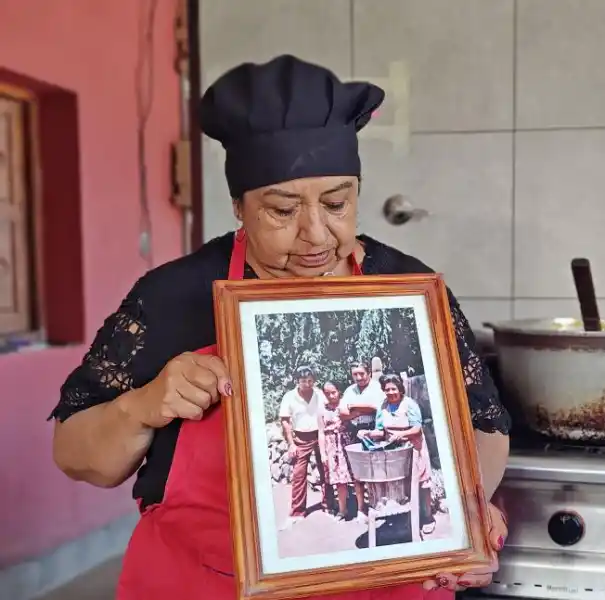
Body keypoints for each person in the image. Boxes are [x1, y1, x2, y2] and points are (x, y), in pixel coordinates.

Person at [49, 55, 510, 600]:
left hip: (387, 582)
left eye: (337, 203)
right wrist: (144, 404)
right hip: (204, 583)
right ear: (239, 207)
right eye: (282, 211)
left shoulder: (407, 288)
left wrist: (463, 513)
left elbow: (481, 426)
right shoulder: (172, 295)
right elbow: (78, 454)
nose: (316, 234)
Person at [358, 373, 435, 535]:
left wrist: (400, 435)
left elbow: (417, 429)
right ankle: (408, 520)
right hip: (395, 451)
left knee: (421, 483)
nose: (390, 392)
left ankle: (428, 518)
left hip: (414, 448)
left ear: (400, 389)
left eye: (393, 389)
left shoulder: (409, 404)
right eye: (387, 389)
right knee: (404, 485)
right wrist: (368, 433)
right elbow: (380, 431)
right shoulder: (383, 406)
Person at [278, 366, 329, 527]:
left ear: (314, 380)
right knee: (299, 474)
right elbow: (285, 421)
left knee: (326, 469)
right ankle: (297, 512)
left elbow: (328, 410)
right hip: (301, 437)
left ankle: (329, 505)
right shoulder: (289, 397)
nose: (307, 384)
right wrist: (291, 444)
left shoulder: (319, 394)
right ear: (297, 381)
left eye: (310, 380)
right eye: (303, 381)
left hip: (320, 434)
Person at [340, 361, 385, 520]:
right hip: (354, 431)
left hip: (373, 430)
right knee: (357, 471)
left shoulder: (377, 388)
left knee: (377, 468)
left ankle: (378, 505)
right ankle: (361, 508)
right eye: (355, 374)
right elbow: (343, 413)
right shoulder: (349, 390)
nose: (358, 377)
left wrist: (354, 406)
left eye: (362, 374)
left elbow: (377, 408)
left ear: (369, 373)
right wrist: (358, 411)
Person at [318, 381, 353, 520]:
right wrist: (322, 453)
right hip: (331, 446)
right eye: (327, 393)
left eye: (334, 392)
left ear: (339, 391)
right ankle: (342, 510)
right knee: (339, 479)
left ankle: (361, 508)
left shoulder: (346, 406)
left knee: (354, 477)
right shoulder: (322, 410)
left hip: (346, 443)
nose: (331, 396)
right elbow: (320, 432)